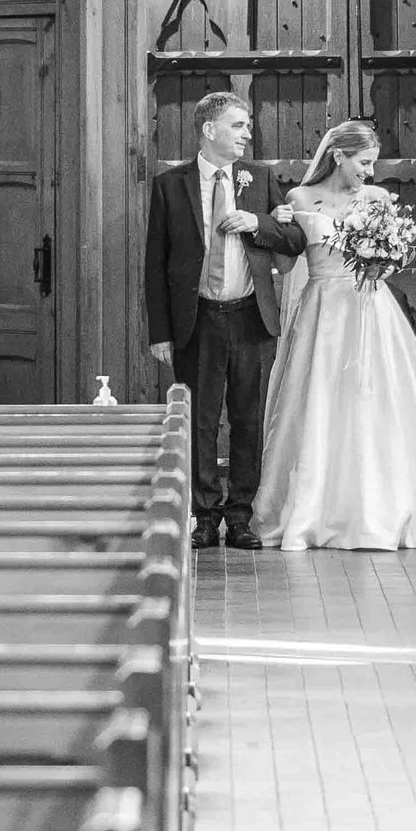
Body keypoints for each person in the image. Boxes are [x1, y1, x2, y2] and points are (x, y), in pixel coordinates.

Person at [251, 120, 416, 554]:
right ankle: (316, 505)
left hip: (369, 306)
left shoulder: (377, 199)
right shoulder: (298, 198)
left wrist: (382, 260)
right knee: (319, 401)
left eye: (372, 163)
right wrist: (279, 225)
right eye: (363, 162)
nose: (369, 172)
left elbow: (392, 259)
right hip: (322, 309)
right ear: (338, 156)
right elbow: (284, 265)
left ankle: (384, 504)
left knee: (377, 400)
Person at [144, 93, 303, 547]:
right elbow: (156, 263)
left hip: (251, 317)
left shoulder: (260, 178)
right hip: (198, 319)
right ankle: (205, 514)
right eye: (237, 125)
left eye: (248, 125)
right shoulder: (170, 185)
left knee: (248, 420)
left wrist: (256, 221)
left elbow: (292, 240)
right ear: (209, 130)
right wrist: (161, 333)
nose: (247, 133)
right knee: (200, 419)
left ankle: (239, 517)